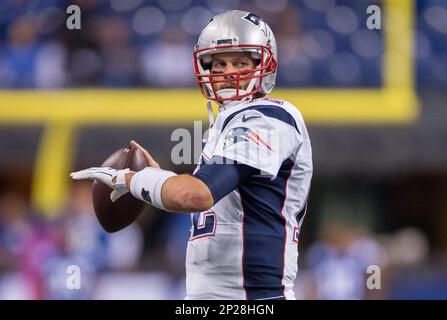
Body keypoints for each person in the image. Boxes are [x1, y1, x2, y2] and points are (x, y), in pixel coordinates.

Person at [71, 10, 313, 300]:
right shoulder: (225, 127)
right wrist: (160, 181)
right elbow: (200, 198)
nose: (228, 72)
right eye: (219, 63)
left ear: (264, 64)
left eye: (240, 62)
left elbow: (195, 196)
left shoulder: (268, 117)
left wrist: (133, 178)